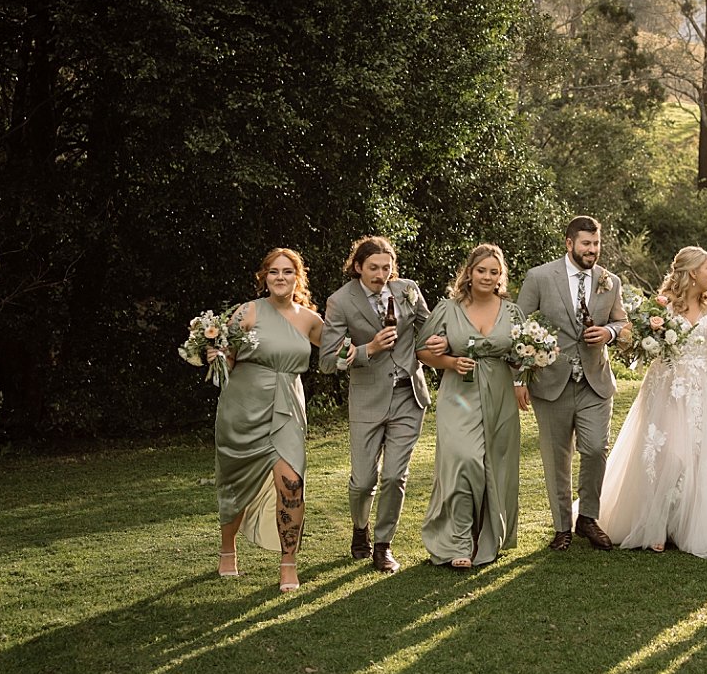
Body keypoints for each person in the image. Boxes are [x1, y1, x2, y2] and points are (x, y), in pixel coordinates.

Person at [318, 235, 445, 573]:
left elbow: (430, 327)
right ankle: (360, 529)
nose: (381, 274)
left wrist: (447, 340)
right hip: (367, 399)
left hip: (409, 395)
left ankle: (382, 545)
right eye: (373, 267)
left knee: (394, 476)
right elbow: (328, 361)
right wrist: (368, 349)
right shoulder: (340, 301)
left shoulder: (407, 289)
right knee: (362, 481)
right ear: (358, 267)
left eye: (387, 267)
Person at [598, 247, 707, 557]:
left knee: (697, 453)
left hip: (704, 385)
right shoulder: (662, 305)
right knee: (668, 452)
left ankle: (684, 525)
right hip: (668, 385)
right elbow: (635, 336)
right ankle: (654, 522)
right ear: (691, 273)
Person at [211, 247, 323, 593]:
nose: (280, 277)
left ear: (297, 278)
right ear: (264, 277)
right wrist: (213, 353)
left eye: (287, 272)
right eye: (274, 271)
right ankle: (227, 548)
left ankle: (288, 561)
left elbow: (338, 353)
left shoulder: (309, 320)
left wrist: (372, 347)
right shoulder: (247, 312)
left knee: (292, 483)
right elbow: (225, 361)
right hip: (244, 406)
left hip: (288, 406)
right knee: (237, 484)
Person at [515, 215, 630, 551]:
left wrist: (608, 332)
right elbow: (519, 328)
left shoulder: (611, 281)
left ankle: (588, 519)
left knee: (595, 449)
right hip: (551, 381)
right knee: (557, 457)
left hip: (595, 381)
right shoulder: (539, 277)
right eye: (585, 244)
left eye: (596, 244)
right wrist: (519, 378)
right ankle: (561, 526)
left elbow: (622, 323)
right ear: (569, 244)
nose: (592, 250)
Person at [414, 243, 522, 569]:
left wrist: (531, 363)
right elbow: (422, 351)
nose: (487, 277)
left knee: (493, 466)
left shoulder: (512, 311)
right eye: (481, 270)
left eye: (494, 271)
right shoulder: (449, 308)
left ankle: (485, 537)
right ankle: (459, 541)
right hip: (459, 395)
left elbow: (519, 354)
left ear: (500, 276)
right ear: (470, 272)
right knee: (465, 461)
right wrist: (449, 360)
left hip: (500, 394)